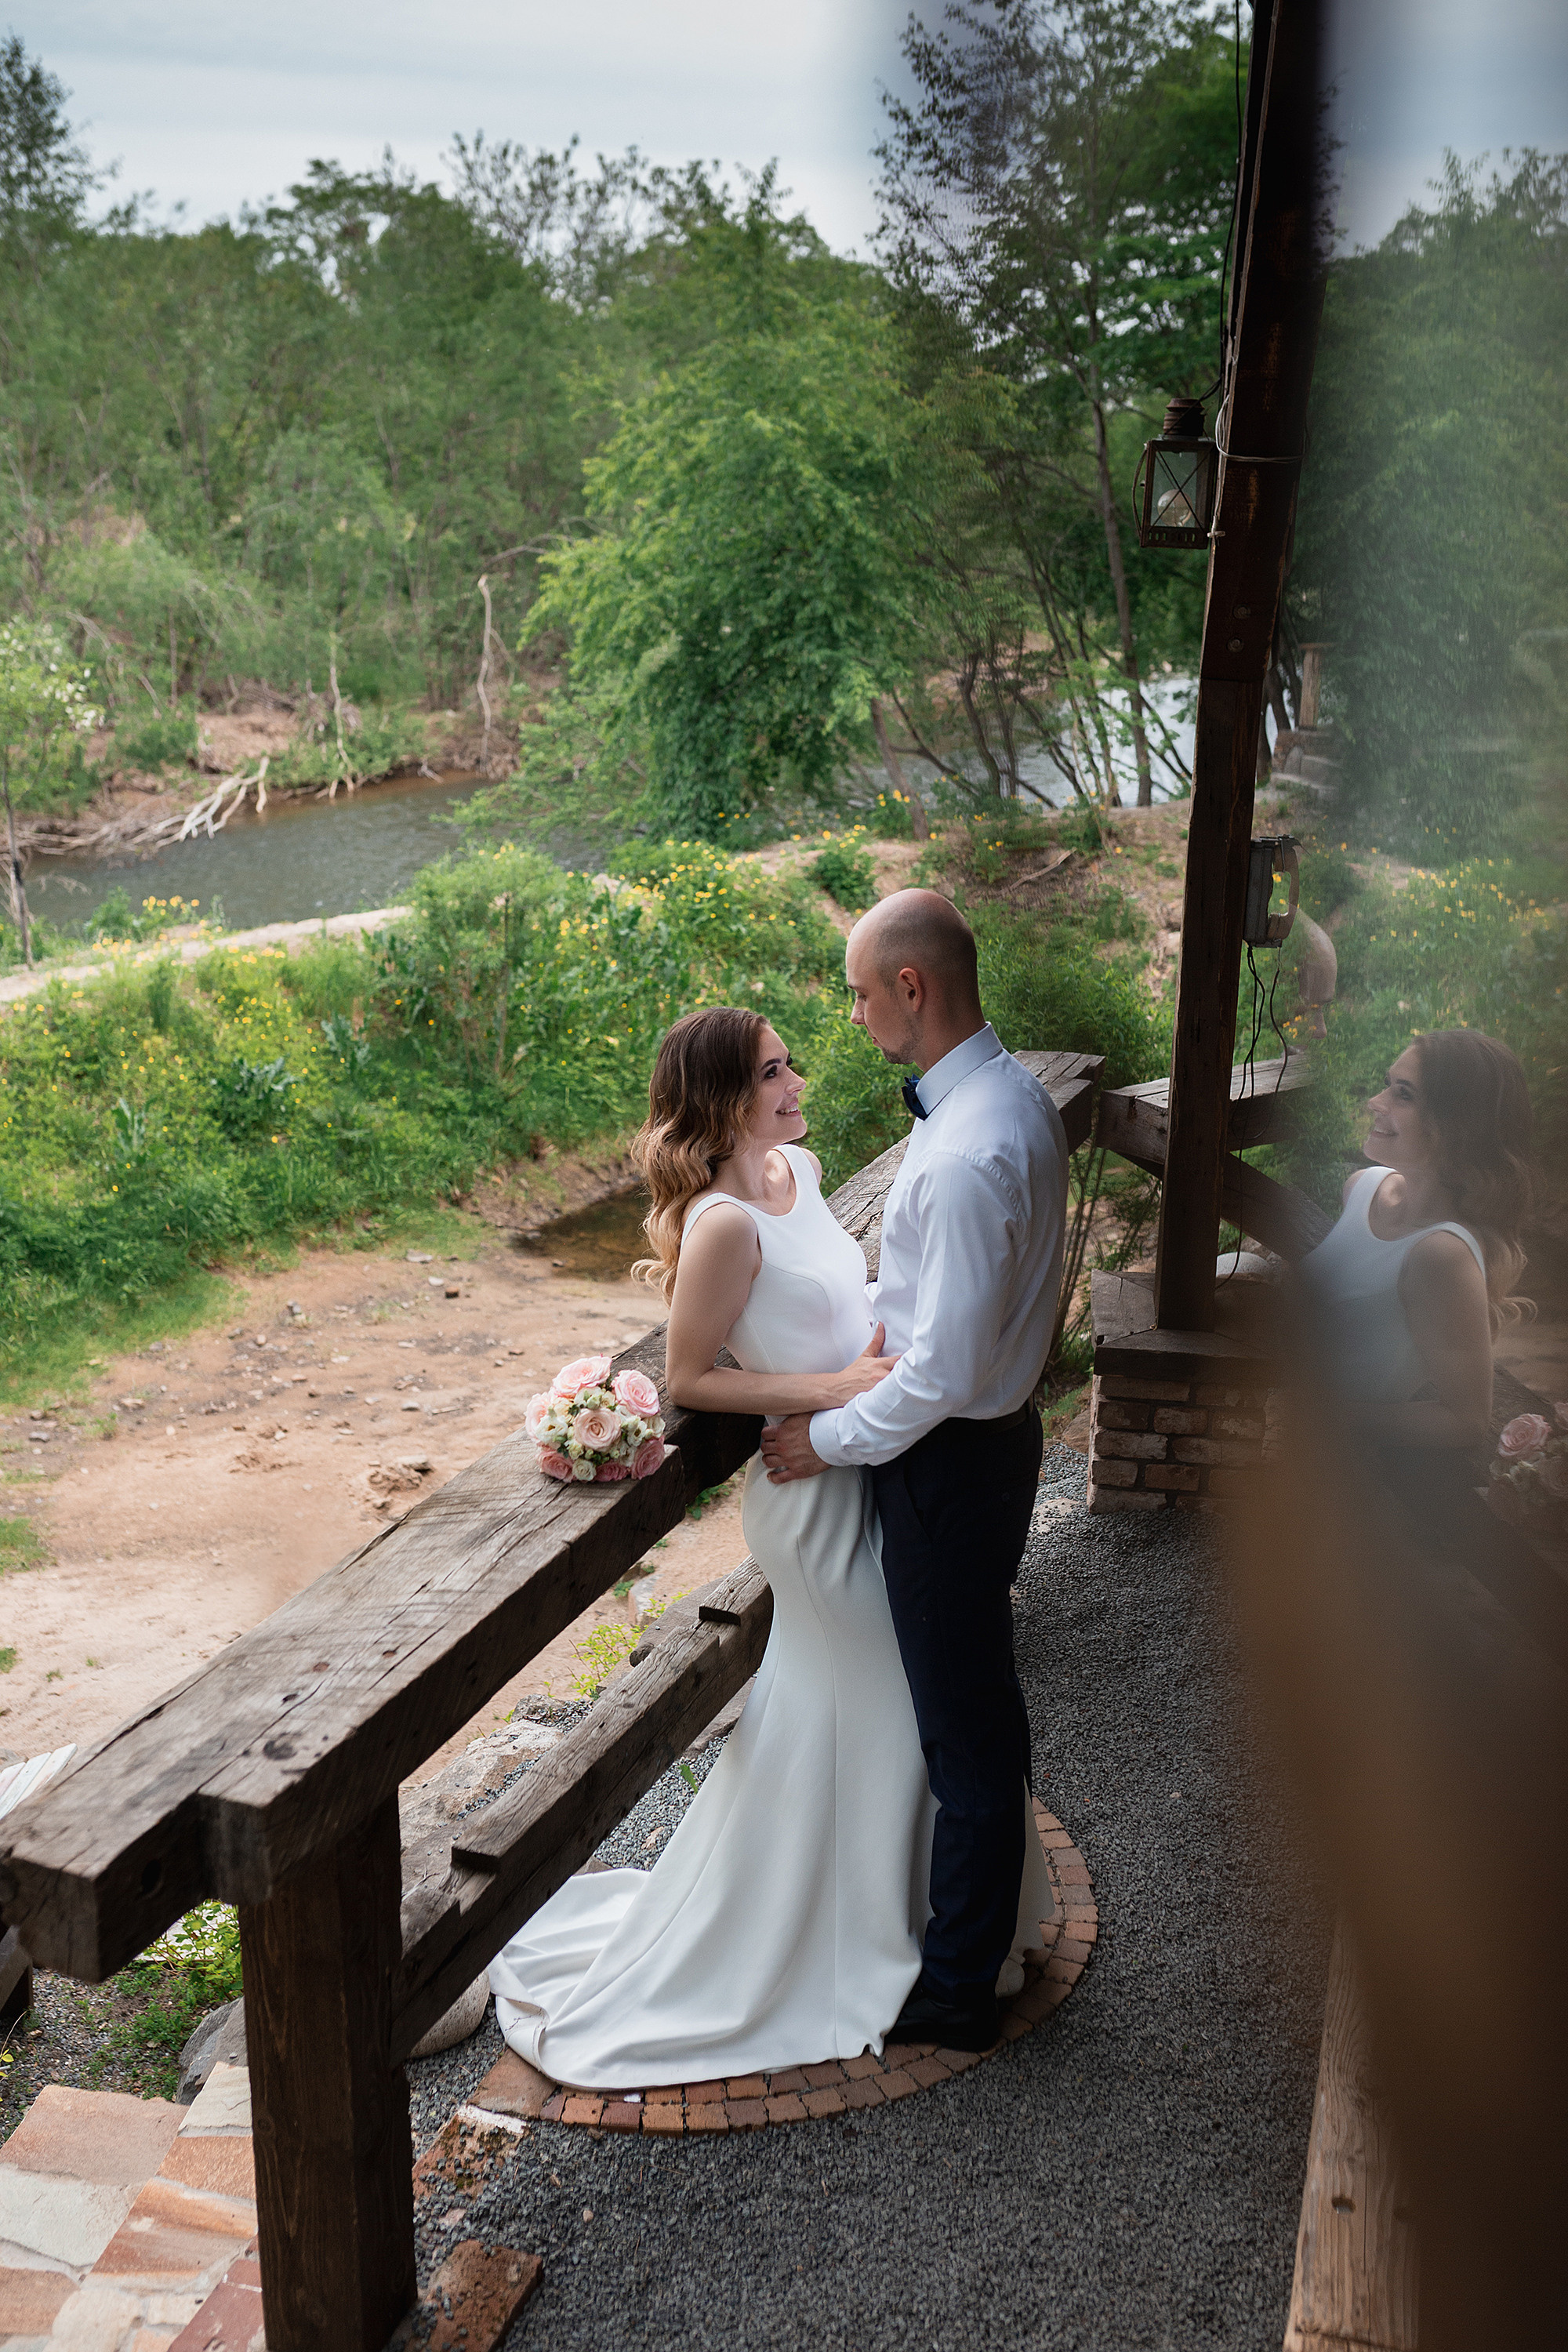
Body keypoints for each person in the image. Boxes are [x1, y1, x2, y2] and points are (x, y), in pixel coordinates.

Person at [488, 991, 1055, 2089]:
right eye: (770, 1074)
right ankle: (860, 1941)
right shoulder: (721, 1224)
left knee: (891, 1711)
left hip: (863, 1461)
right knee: (889, 1699)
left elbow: (843, 1297)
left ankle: (903, 1922)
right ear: (717, 1101)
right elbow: (691, 1375)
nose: (797, 1085)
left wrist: (884, 1348)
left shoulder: (796, 1173)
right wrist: (834, 1391)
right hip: (810, 1490)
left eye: (789, 1065)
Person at [761, 889, 1069, 2051]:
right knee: (971, 1695)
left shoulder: (967, 1151)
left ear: (910, 987)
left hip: (951, 1466)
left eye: (858, 994)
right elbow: (951, 1318)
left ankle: (956, 1988)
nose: (852, 1018)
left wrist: (823, 1438)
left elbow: (942, 1374)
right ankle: (965, 1938)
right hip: (992, 1443)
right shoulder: (1011, 1096)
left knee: (963, 1720)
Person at [1299, 1029, 1534, 1445]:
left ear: (1456, 1126)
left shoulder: (1442, 1254)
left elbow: (1467, 1420)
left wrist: (1327, 1416)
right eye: (1388, 1085)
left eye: (1403, 1095)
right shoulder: (1363, 1189)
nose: (1376, 1102)